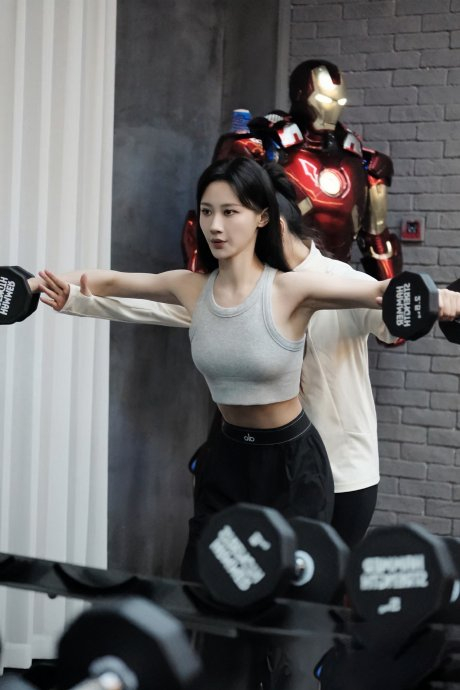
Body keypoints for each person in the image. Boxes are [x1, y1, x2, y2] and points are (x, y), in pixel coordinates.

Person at [32, 158, 458, 576]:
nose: (217, 227)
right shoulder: (220, 289)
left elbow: (389, 300)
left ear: (269, 223)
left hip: (335, 469)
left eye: (231, 213)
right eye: (208, 213)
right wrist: (57, 293)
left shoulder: (325, 283)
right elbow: (141, 299)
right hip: (235, 453)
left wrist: (442, 300)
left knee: (301, 601)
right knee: (211, 585)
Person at [182, 59, 402, 282]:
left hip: (336, 281)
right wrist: (203, 287)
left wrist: (393, 291)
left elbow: (377, 241)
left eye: (339, 101)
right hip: (270, 281)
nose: (332, 108)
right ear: (299, 95)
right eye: (325, 99)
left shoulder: (363, 162)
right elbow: (214, 222)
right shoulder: (261, 146)